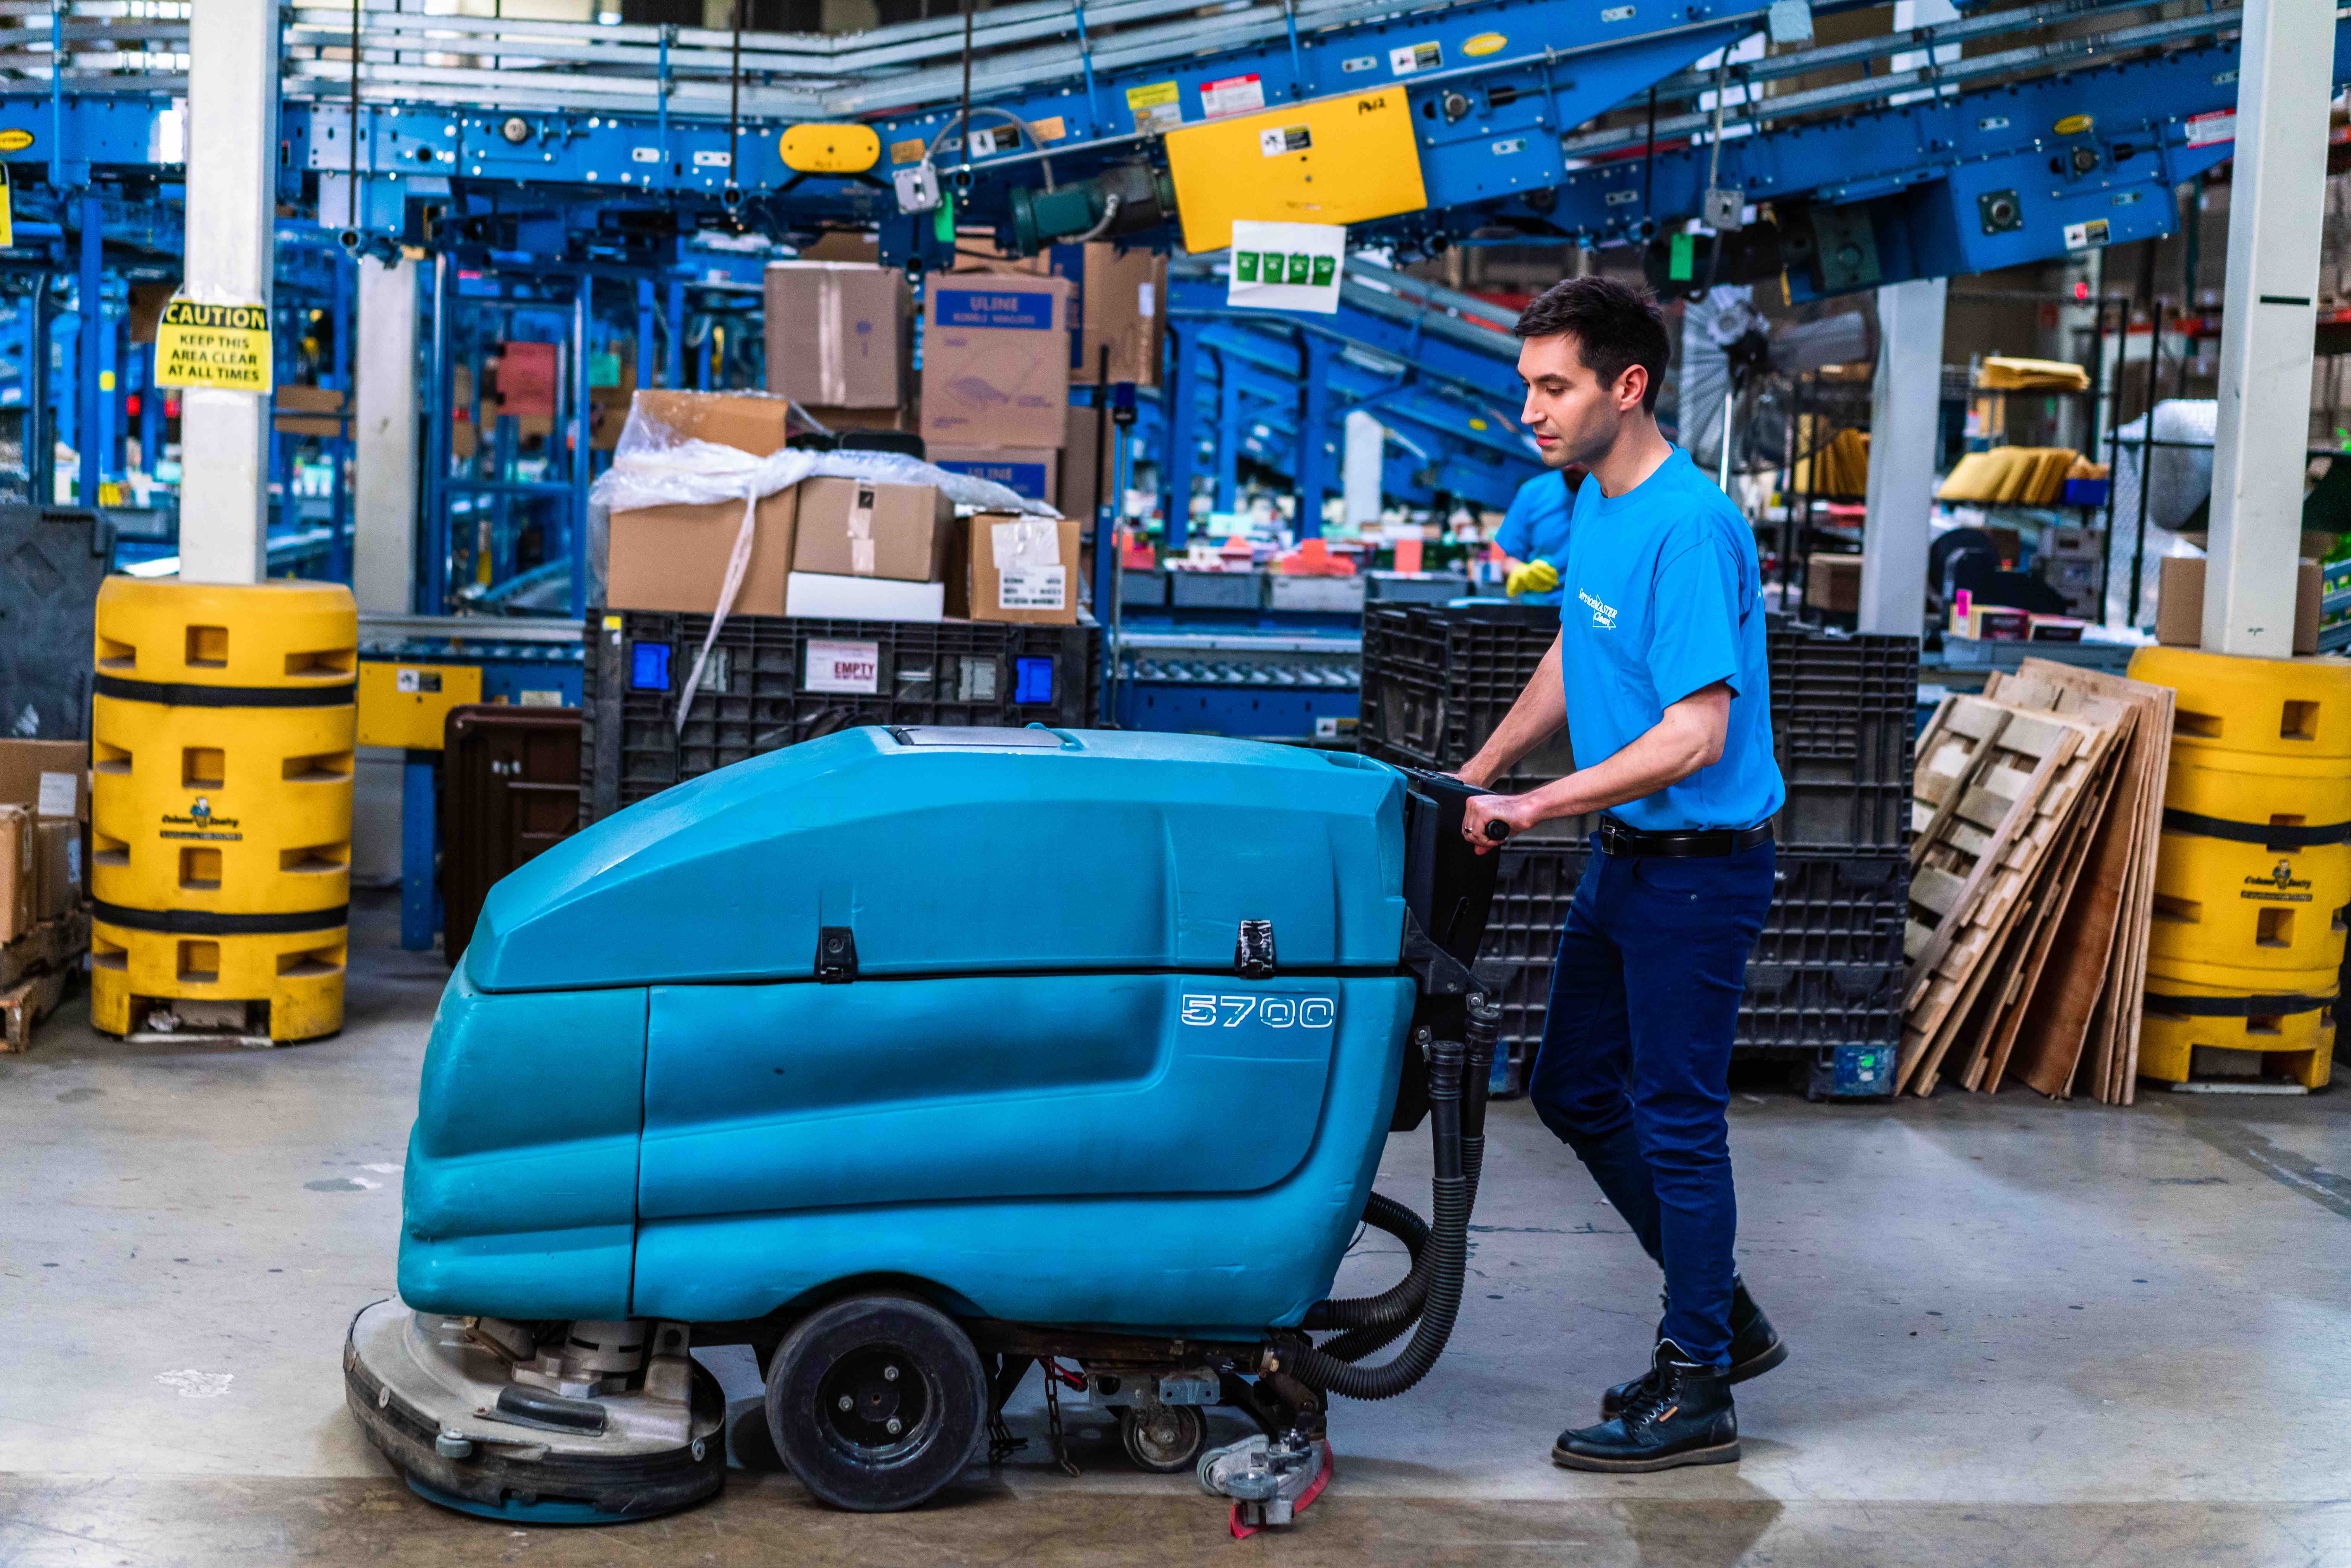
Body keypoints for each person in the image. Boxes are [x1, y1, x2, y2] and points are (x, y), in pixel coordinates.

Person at [1454, 276, 1790, 1475]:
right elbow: (1577, 644)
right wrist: (1483, 766)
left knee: (1677, 1124)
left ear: (1626, 386)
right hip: (1626, 860)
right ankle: (1723, 1316)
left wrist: (1535, 801)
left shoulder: (1689, 526)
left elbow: (1696, 731)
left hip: (1696, 874)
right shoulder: (1589, 499)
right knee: (1569, 1090)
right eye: (1525, 388)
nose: (1529, 412)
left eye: (1553, 387)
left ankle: (1698, 1379)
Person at [1494, 467, 1580, 603]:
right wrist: (1522, 572)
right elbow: (1504, 560)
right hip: (1542, 611)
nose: (1571, 465)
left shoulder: (1612, 494)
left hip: (1593, 614)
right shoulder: (1533, 493)